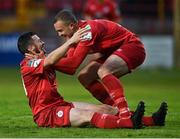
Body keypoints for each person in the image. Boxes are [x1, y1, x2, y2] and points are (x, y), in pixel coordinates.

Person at [53, 9, 168, 127]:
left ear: (71, 26)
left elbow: (72, 65)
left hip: (132, 47)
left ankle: (125, 116)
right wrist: (48, 60)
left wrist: (45, 62)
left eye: (60, 30)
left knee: (104, 71)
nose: (59, 34)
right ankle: (151, 120)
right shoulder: (75, 37)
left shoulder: (86, 32)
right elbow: (69, 64)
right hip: (113, 52)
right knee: (84, 76)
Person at [17, 30, 145, 129]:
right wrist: (71, 40)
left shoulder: (43, 60)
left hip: (59, 104)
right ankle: (127, 123)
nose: (42, 42)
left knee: (106, 109)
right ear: (31, 48)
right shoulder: (27, 65)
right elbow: (51, 59)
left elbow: (68, 59)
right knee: (87, 116)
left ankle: (151, 120)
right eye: (39, 41)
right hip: (46, 113)